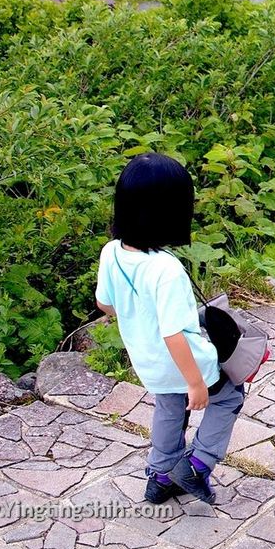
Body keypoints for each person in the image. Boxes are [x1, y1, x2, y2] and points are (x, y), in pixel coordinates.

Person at [94, 153, 243, 505]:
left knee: (169, 406)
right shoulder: (166, 269)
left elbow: (105, 304)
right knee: (229, 397)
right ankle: (196, 465)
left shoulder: (111, 252)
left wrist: (135, 314)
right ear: (171, 213)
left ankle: (160, 476)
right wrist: (195, 382)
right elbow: (174, 334)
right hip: (186, 362)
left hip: (147, 360)